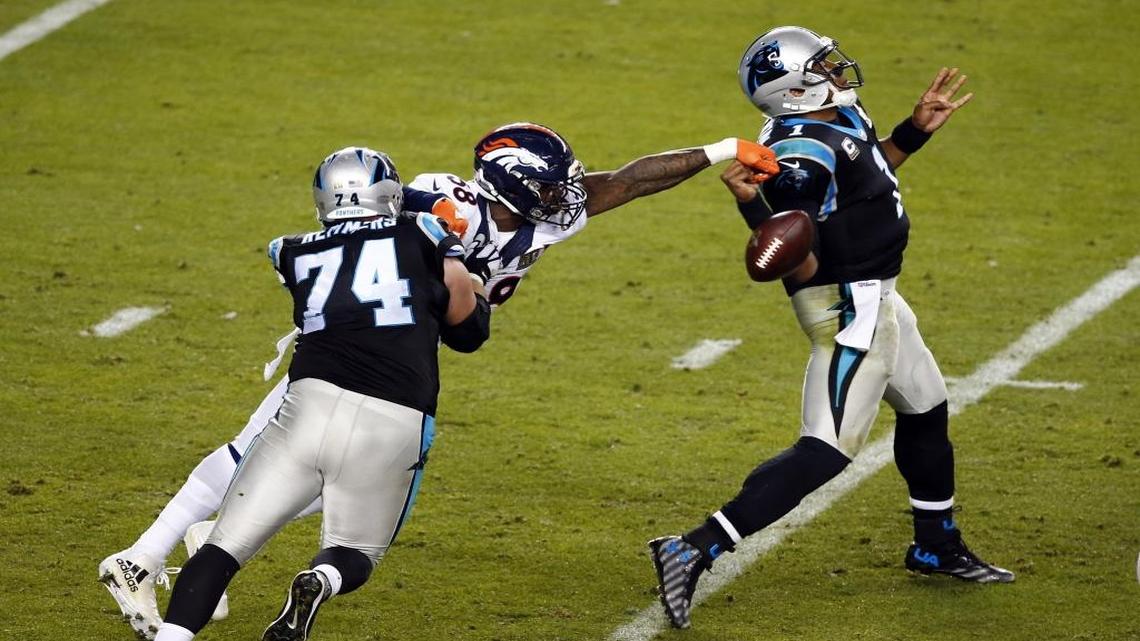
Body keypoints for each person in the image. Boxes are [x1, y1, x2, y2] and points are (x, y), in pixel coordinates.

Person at [99, 125, 780, 639]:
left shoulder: (538, 217)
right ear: (509, 184)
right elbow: (354, 241)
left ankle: (196, 543)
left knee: (298, 469)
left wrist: (722, 147)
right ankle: (141, 556)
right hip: (353, 348)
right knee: (260, 455)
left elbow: (626, 180)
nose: (566, 197)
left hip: (399, 359)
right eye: (550, 186)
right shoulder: (435, 203)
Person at [648, 25, 1013, 630]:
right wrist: (748, 205)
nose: (836, 69)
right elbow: (787, 246)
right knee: (826, 447)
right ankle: (694, 546)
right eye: (820, 65)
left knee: (926, 407)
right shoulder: (800, 153)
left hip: (881, 296)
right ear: (794, 90)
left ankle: (935, 544)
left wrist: (913, 132)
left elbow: (868, 173)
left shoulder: (833, 114)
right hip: (849, 306)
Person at [148, 146, 491, 641]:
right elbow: (466, 328)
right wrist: (469, 286)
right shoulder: (421, 230)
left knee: (221, 550)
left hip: (305, 407)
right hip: (393, 417)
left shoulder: (287, 250)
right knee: (356, 551)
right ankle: (320, 579)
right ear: (388, 193)